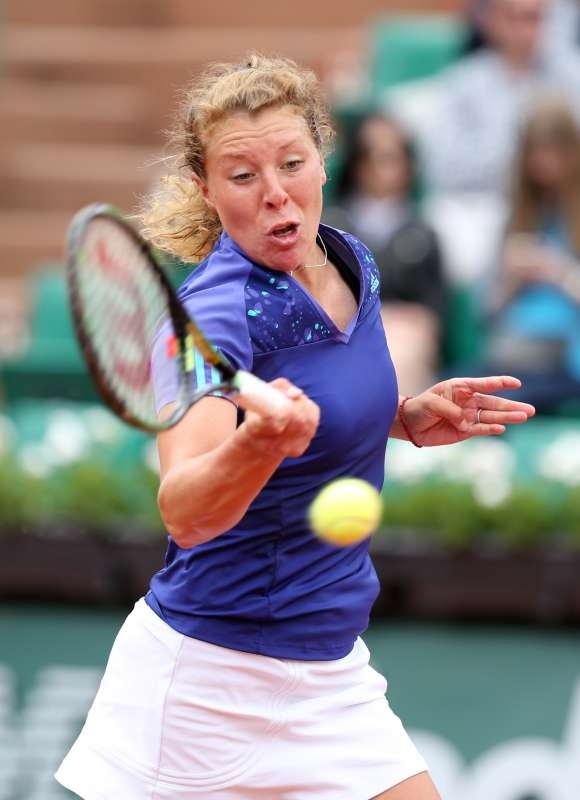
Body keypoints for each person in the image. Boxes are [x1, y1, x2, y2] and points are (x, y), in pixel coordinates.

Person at [55, 54, 535, 800]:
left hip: (329, 674)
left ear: (322, 159)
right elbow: (185, 508)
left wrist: (402, 419)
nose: (275, 192)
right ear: (206, 190)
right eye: (243, 176)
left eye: (292, 162)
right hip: (208, 686)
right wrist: (256, 444)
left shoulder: (354, 264)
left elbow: (331, 404)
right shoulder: (210, 320)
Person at [324, 113, 446, 395]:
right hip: (346, 334)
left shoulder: (424, 234)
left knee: (400, 349)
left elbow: (435, 312)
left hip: (407, 338)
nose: (382, 168)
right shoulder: (330, 228)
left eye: (393, 157)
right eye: (372, 156)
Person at [483, 97, 580, 411]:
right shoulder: (518, 216)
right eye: (535, 152)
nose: (544, 162)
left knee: (504, 402)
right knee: (454, 387)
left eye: (553, 150)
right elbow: (489, 310)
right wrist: (511, 277)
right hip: (513, 345)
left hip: (565, 353)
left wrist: (556, 270)